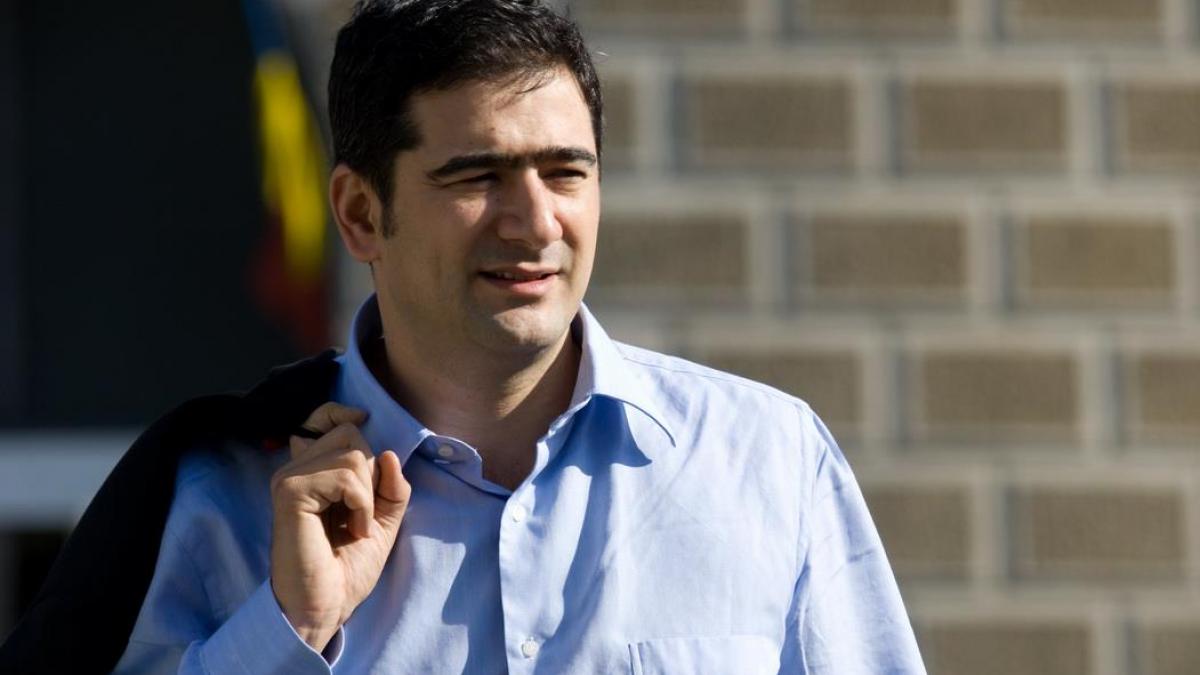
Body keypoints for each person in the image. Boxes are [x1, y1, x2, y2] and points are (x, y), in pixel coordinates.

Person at [0, 0, 925, 672]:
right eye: (477, 175)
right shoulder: (222, 502)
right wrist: (289, 627)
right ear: (360, 214)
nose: (535, 221)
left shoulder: (769, 462)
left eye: (566, 171)